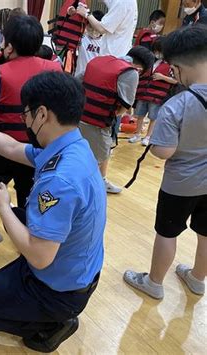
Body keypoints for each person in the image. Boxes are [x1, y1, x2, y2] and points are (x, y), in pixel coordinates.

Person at [0, 71, 106, 353]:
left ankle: (52, 323)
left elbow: (40, 256)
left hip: (59, 290)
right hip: (77, 270)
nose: (24, 120)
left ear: (42, 114)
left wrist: (3, 205)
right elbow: (10, 146)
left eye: (26, 113)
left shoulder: (60, 178)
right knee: (24, 219)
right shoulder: (73, 145)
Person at [124, 25, 207, 299]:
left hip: (181, 185)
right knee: (206, 233)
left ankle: (154, 283)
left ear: (177, 67)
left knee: (167, 232)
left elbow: (164, 152)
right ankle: (197, 279)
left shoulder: (178, 105)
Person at [0, 15, 63, 248]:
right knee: (30, 192)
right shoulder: (55, 68)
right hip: (40, 149)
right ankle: (26, 232)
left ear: (10, 44)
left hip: (2, 146)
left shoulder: (1, 72)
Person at [78, 46, 155, 194]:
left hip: (77, 114)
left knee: (95, 151)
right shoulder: (131, 72)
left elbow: (78, 80)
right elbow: (126, 105)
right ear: (140, 67)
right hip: (98, 120)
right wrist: (112, 115)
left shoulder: (99, 60)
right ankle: (89, 188)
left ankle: (101, 180)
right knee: (97, 156)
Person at [129, 38, 177, 146]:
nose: (157, 53)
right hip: (143, 94)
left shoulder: (170, 65)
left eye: (159, 50)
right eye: (155, 50)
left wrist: (163, 77)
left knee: (153, 117)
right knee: (139, 115)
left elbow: (175, 81)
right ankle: (137, 134)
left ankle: (148, 136)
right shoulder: (150, 61)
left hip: (157, 96)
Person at [74, 10, 105, 78]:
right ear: (87, 25)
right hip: (79, 77)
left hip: (95, 78)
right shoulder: (81, 37)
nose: (93, 31)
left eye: (96, 29)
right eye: (91, 27)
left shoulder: (106, 42)